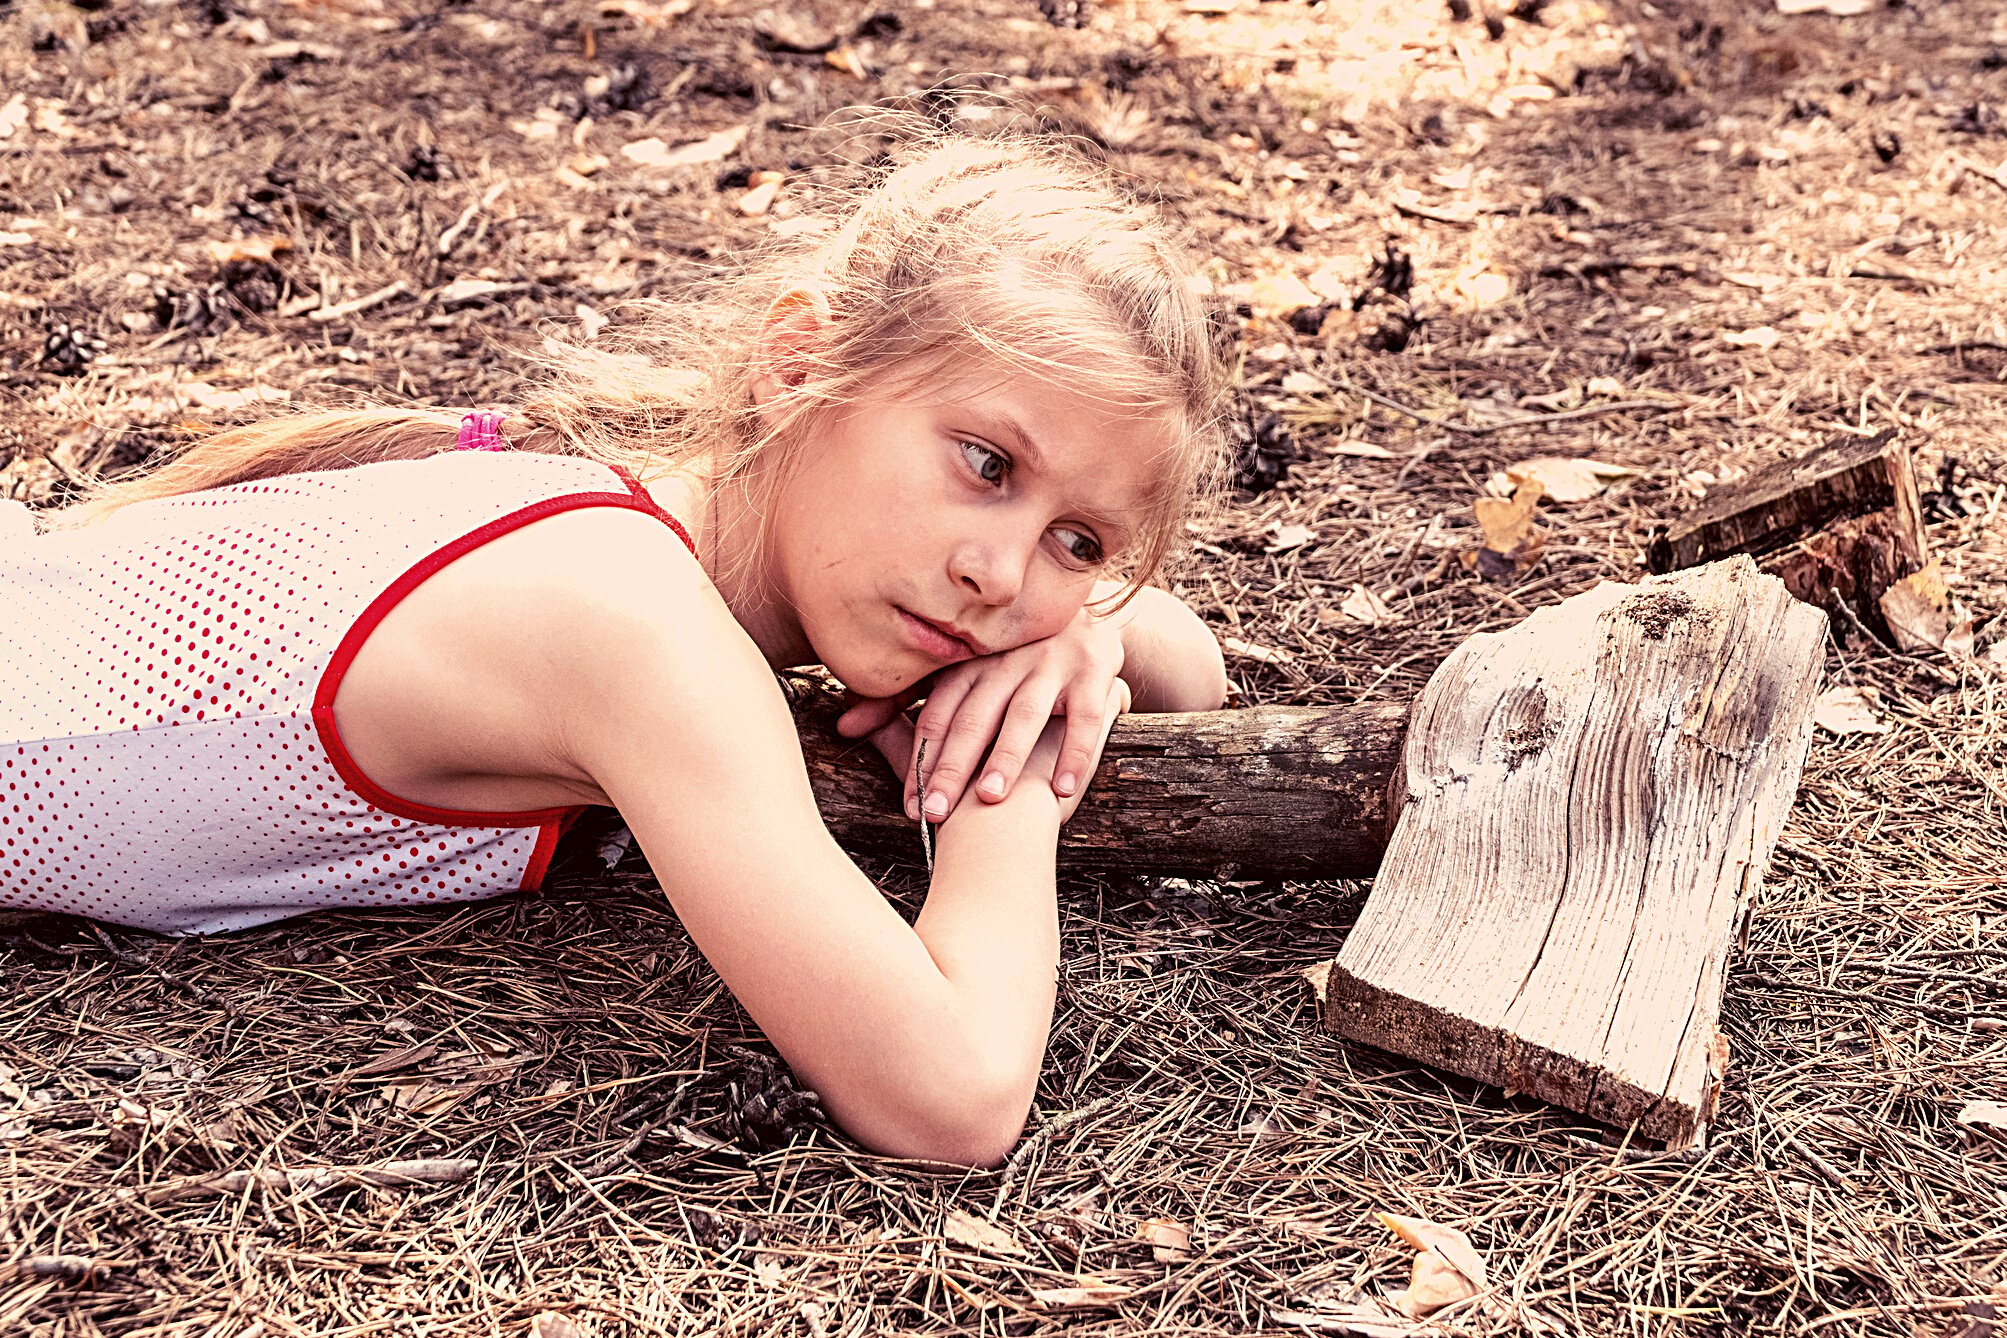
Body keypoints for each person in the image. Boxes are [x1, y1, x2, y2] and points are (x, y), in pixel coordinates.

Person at [0, 132, 1233, 1167]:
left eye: (1076, 539)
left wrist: (1085, 639)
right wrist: (1009, 792)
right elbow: (952, 1099)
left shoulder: (659, 532)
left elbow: (1200, 676)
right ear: (797, 369)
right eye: (984, 465)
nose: (999, 574)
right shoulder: (635, 633)